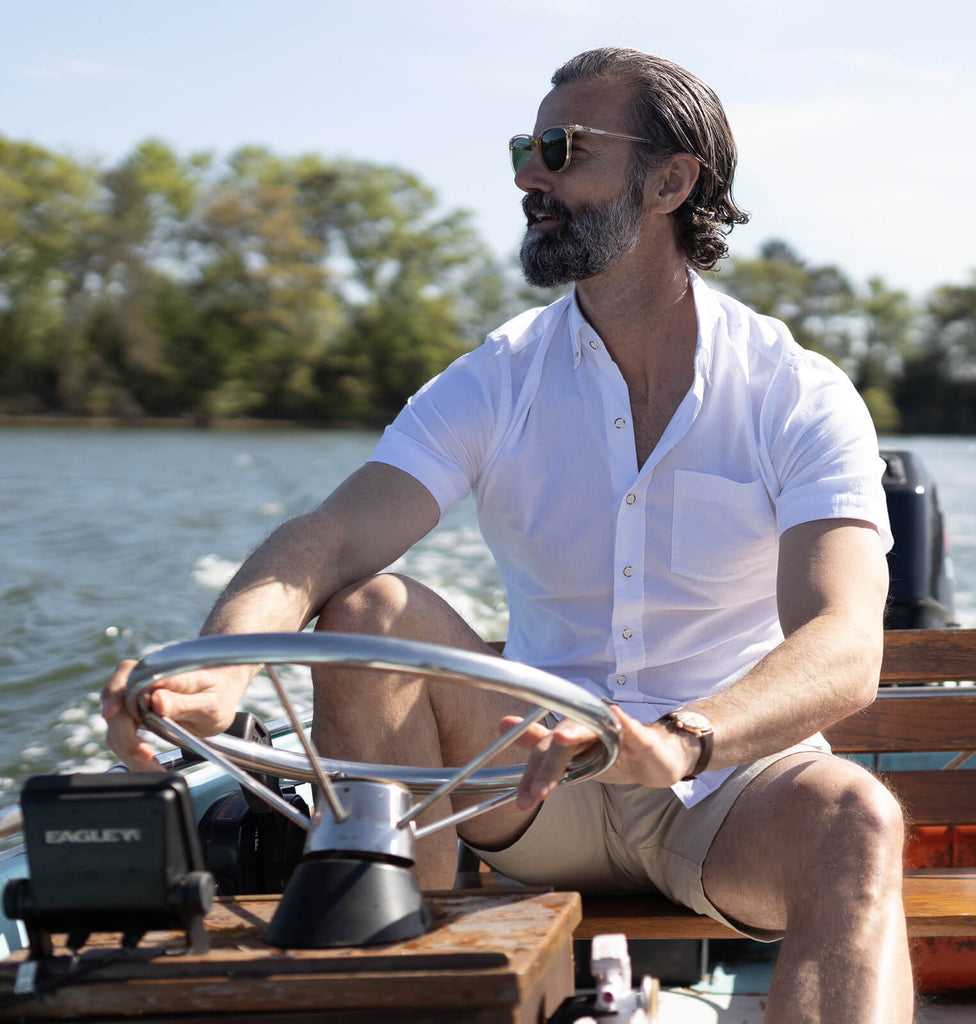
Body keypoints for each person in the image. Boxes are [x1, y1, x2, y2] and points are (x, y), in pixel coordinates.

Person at [103, 47, 912, 1023]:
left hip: (728, 788)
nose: (528, 174)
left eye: (561, 149)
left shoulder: (798, 393)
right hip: (532, 782)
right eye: (524, 148)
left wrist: (680, 739)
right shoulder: (498, 378)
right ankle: (415, 980)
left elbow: (843, 643)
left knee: (857, 820)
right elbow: (327, 537)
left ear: (670, 181)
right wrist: (217, 672)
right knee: (369, 606)